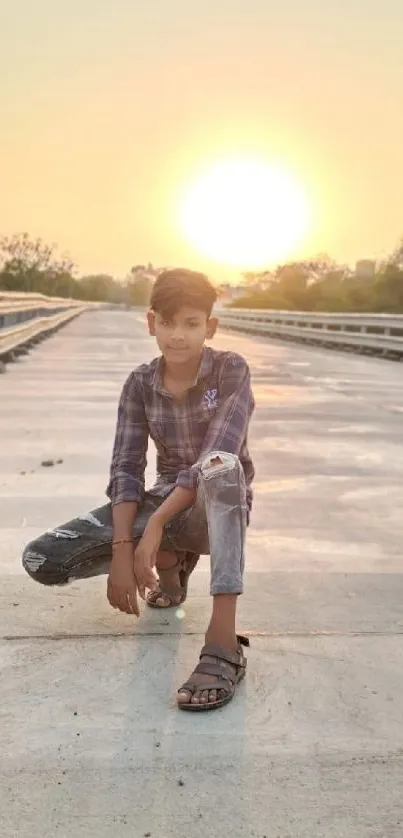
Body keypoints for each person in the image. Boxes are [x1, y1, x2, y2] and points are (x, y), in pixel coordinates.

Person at [22, 269, 255, 712]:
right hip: (162, 501)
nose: (178, 336)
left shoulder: (231, 370)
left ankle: (224, 643)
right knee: (42, 559)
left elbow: (215, 456)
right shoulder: (139, 384)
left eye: (190, 324)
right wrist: (123, 549)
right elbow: (126, 470)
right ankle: (170, 566)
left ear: (210, 326)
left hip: (217, 510)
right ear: (151, 323)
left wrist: (157, 525)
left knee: (222, 469)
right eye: (167, 323)